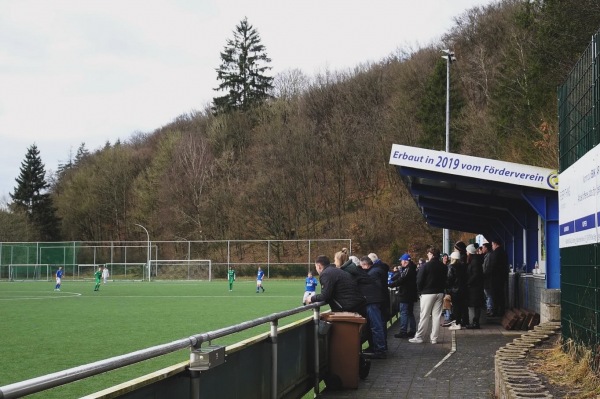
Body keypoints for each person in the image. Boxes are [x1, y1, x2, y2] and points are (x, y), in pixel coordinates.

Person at [409, 246, 447, 345]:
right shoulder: (443, 266)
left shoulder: (425, 266)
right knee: (436, 316)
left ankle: (420, 336)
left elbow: (419, 280)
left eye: (428, 253)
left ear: (432, 254)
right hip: (439, 292)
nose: (427, 255)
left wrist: (420, 291)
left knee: (424, 315)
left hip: (427, 293)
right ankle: (434, 338)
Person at [359, 256, 387, 359]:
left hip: (373, 301)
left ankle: (380, 349)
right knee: (378, 325)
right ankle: (380, 348)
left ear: (365, 265)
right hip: (377, 300)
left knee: (376, 326)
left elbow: (375, 287)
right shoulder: (378, 270)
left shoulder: (372, 273)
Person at [389, 253, 418, 339]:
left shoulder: (408, 270)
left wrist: (391, 285)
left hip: (405, 294)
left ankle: (403, 331)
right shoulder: (412, 268)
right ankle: (412, 330)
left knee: (404, 312)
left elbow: (401, 280)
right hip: (411, 294)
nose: (401, 263)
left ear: (405, 261)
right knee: (409, 313)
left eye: (401, 261)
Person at [444, 251, 468, 330]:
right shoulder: (464, 266)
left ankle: (457, 323)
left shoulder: (451, 267)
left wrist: (447, 290)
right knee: (463, 306)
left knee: (456, 307)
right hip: (464, 289)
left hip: (455, 290)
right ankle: (464, 322)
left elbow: (449, 279)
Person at [465, 244, 485, 328]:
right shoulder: (475, 260)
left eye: (467, 251)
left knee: (476, 304)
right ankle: (475, 321)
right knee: (476, 304)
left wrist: (468, 282)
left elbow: (475, 274)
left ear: (469, 252)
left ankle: (475, 322)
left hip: (475, 286)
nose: (466, 252)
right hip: (476, 286)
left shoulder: (474, 261)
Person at [488, 238, 509, 316]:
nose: (492, 246)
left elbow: (492, 266)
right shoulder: (503, 252)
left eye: (492, 244)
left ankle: (496, 311)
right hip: (502, 277)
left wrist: (488, 274)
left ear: (496, 244)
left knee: (495, 295)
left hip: (495, 278)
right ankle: (501, 310)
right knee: (501, 295)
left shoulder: (495, 253)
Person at [481, 242, 494, 316]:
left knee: (488, 294)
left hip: (487, 279)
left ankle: (490, 309)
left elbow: (486, 268)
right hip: (487, 278)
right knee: (488, 294)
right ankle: (489, 308)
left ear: (486, 248)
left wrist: (483, 274)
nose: (482, 249)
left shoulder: (488, 256)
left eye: (483, 247)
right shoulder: (487, 255)